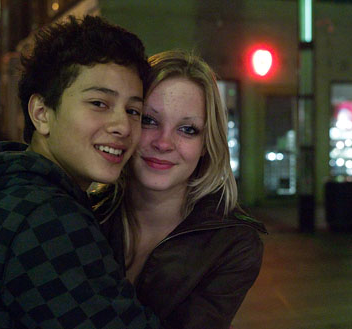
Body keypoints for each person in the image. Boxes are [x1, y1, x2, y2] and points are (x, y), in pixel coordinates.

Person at [0, 16, 160, 329]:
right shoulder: (46, 218)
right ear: (41, 113)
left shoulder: (3, 190)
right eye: (99, 103)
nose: (122, 126)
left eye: (133, 110)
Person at [93, 50, 267, 329]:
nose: (164, 143)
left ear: (206, 145)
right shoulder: (85, 212)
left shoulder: (232, 243)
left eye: (187, 129)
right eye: (149, 120)